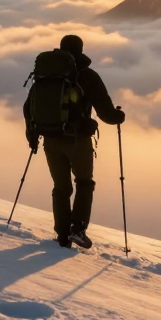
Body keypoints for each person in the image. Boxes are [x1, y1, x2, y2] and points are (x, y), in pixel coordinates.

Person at [24, 35, 125, 249]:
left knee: (61, 187)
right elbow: (106, 113)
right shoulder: (87, 76)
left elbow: (28, 107)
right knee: (84, 182)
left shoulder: (45, 74)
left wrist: (32, 135)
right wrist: (119, 117)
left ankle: (62, 234)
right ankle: (77, 230)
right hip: (77, 139)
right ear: (81, 49)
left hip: (50, 139)